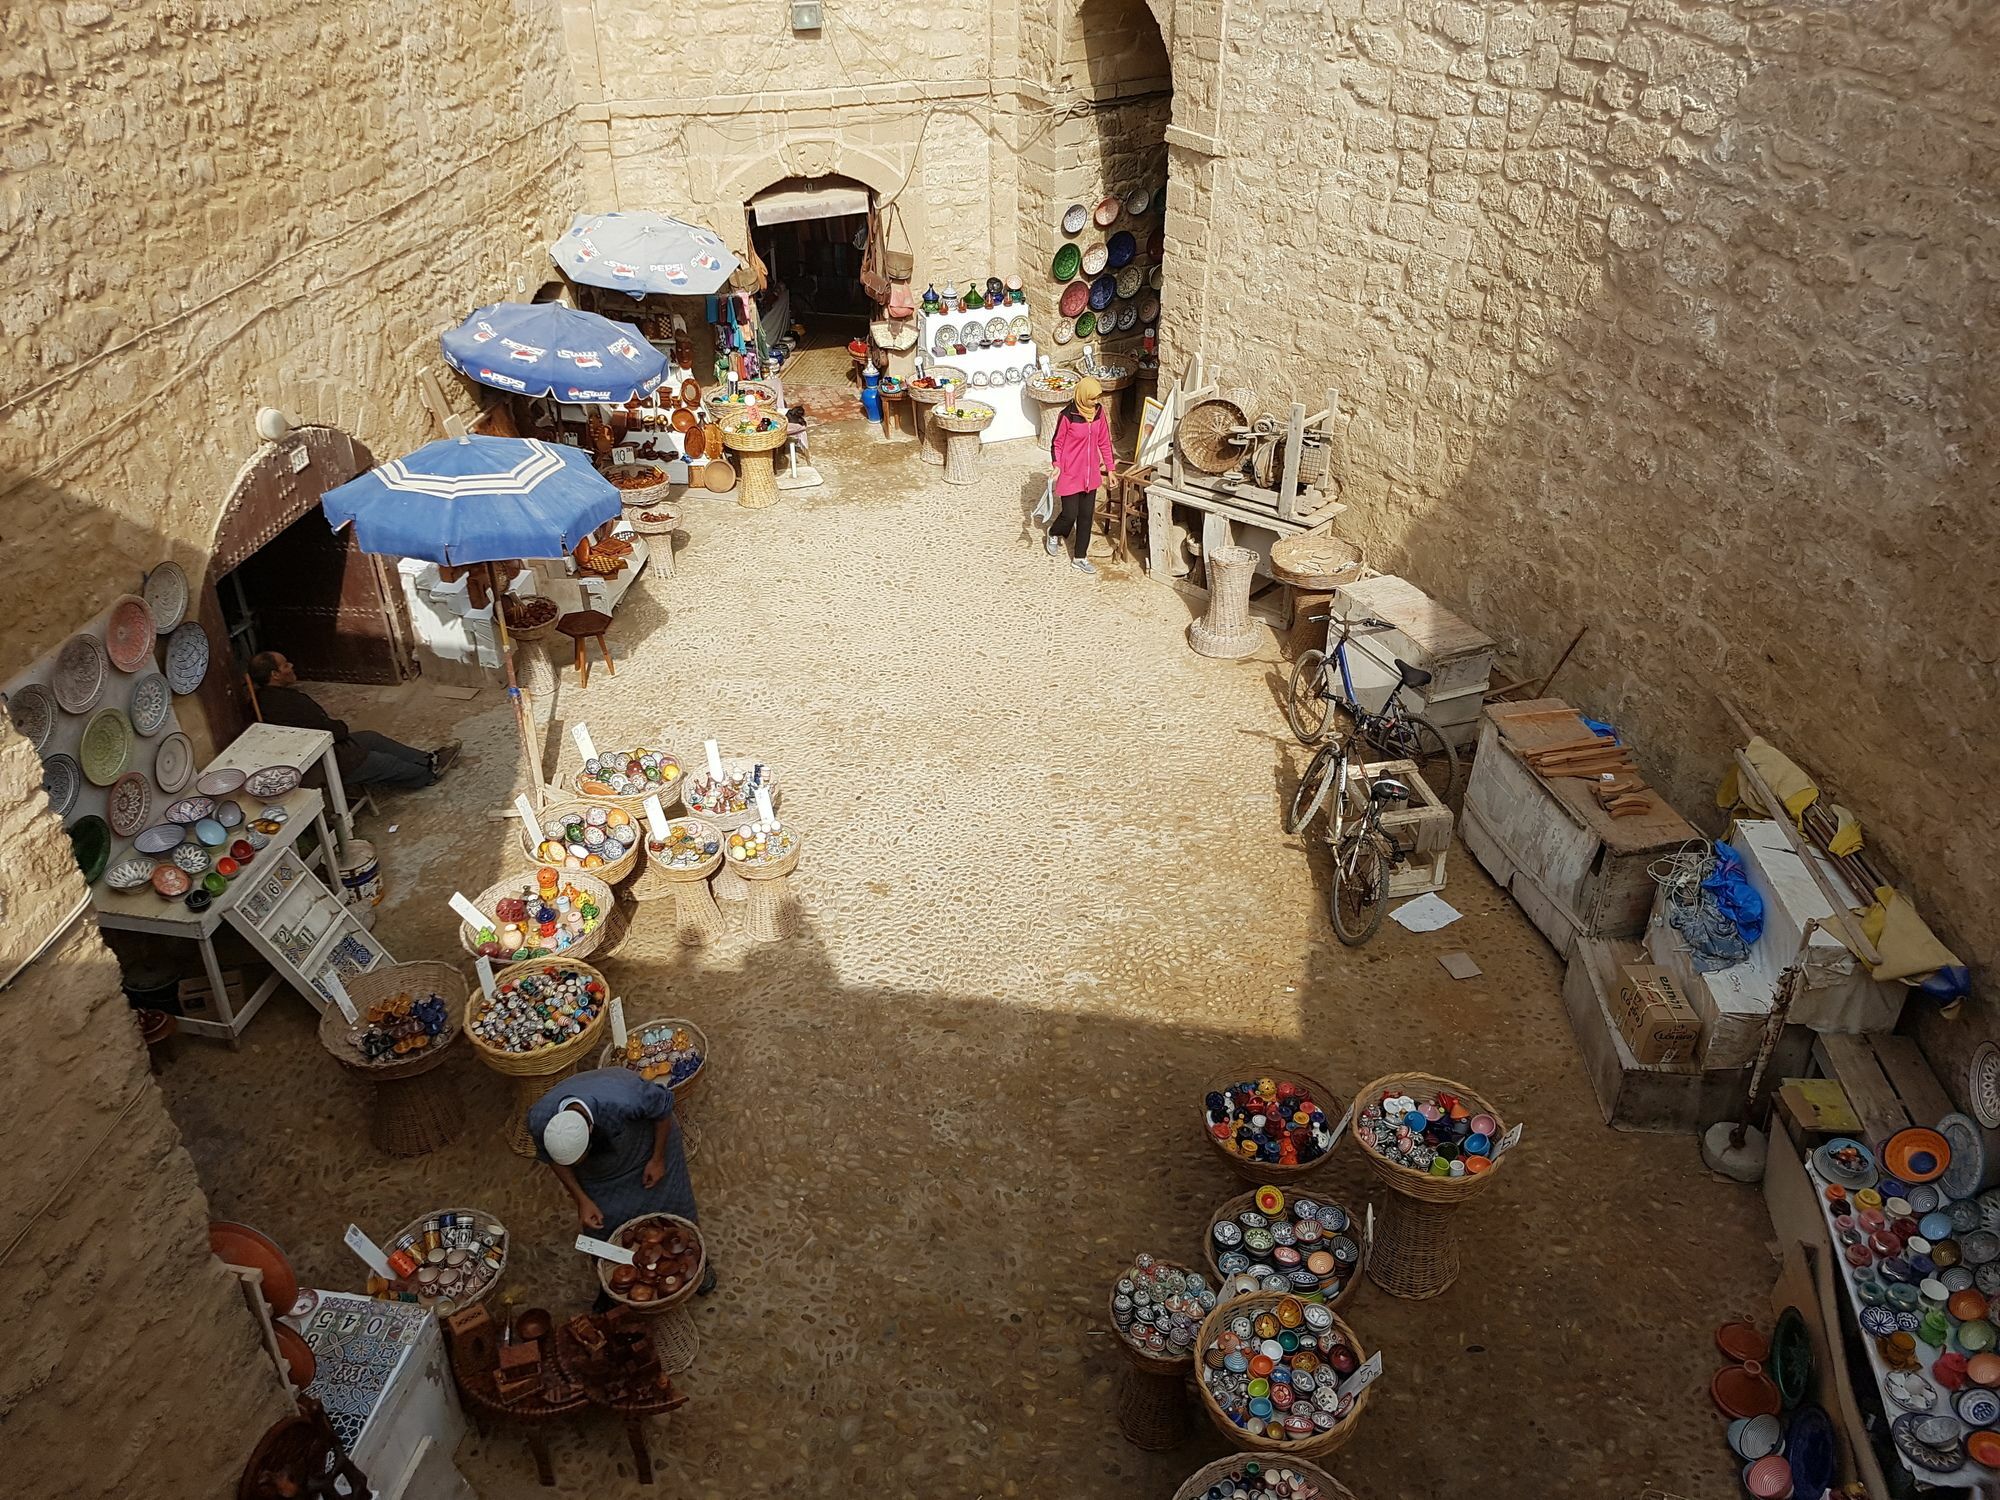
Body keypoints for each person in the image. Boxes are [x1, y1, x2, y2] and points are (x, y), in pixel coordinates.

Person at [529, 1066, 715, 1296]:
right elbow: (553, 1161)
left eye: (579, 1158)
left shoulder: (625, 1096)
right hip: (599, 1177)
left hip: (646, 1148)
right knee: (603, 1226)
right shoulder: (539, 1120)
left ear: (590, 1133)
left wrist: (657, 1160)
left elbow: (663, 1108)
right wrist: (582, 1199)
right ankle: (615, 1281)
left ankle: (694, 1263)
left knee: (673, 1208)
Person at [248, 651, 459, 793]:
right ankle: (425, 773)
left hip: (327, 744)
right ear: (275, 675)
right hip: (323, 758)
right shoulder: (285, 705)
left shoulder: (270, 698)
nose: (291, 666)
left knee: (370, 738)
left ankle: (427, 759)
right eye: (285, 665)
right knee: (381, 761)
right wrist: (339, 727)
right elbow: (325, 731)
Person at [1045, 376, 1117, 577]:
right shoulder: (1068, 415)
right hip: (1070, 473)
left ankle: (1080, 558)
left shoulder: (1099, 413)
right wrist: (1057, 465)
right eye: (1092, 398)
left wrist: (1110, 469)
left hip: (1090, 474)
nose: (1095, 402)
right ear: (1084, 396)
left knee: (1086, 517)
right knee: (1070, 513)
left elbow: (1104, 441)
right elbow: (1056, 444)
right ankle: (1054, 532)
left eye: (1097, 398)